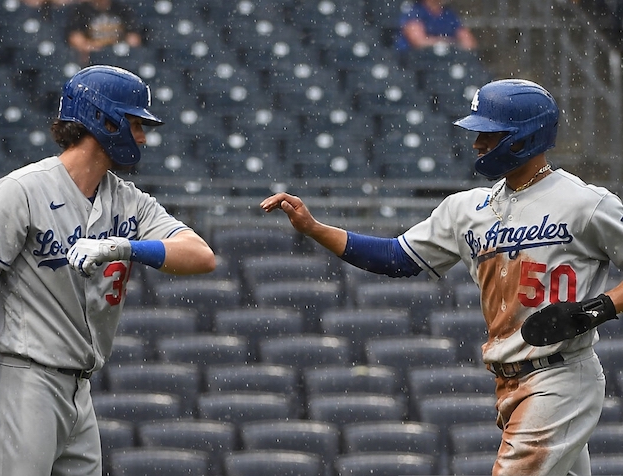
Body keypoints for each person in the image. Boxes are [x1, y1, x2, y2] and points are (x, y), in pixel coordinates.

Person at [261, 78, 619, 475]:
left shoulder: (586, 204)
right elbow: (396, 257)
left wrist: (595, 310)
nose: (477, 144)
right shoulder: (467, 209)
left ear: (524, 137)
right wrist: (314, 228)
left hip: (561, 376)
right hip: (510, 381)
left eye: (489, 133)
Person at [0, 65, 216, 475]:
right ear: (102, 119)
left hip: (80, 388)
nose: (142, 137)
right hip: (23, 378)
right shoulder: (20, 190)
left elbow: (201, 255)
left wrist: (125, 246)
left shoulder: (128, 200)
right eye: (135, 123)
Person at [65, 0, 143, 65]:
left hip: (119, 56)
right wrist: (93, 47)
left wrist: (119, 49)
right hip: (93, 57)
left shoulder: (122, 8)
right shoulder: (80, 10)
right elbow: (75, 37)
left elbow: (134, 38)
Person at [396, 0, 478, 52]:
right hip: (417, 65)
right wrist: (449, 43)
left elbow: (470, 43)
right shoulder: (414, 10)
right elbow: (418, 42)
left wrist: (450, 46)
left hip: (446, 63)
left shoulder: (449, 13)